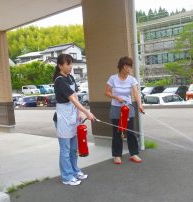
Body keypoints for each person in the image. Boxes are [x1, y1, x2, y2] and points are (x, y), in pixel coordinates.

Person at [53, 54, 95, 186]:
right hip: (62, 119)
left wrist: (79, 114)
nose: (71, 67)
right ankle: (67, 176)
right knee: (65, 150)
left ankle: (75, 171)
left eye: (71, 64)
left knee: (73, 148)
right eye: (68, 64)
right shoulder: (59, 80)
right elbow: (72, 99)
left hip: (72, 116)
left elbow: (76, 96)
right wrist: (86, 112)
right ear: (60, 66)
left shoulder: (70, 77)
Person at [105, 56, 145, 165]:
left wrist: (140, 105)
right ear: (123, 67)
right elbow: (107, 92)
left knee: (130, 131)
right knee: (117, 132)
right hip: (116, 107)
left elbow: (136, 93)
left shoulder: (132, 79)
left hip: (128, 107)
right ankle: (117, 155)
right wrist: (116, 97)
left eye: (131, 67)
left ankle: (134, 154)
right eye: (129, 67)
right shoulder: (113, 78)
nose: (130, 69)